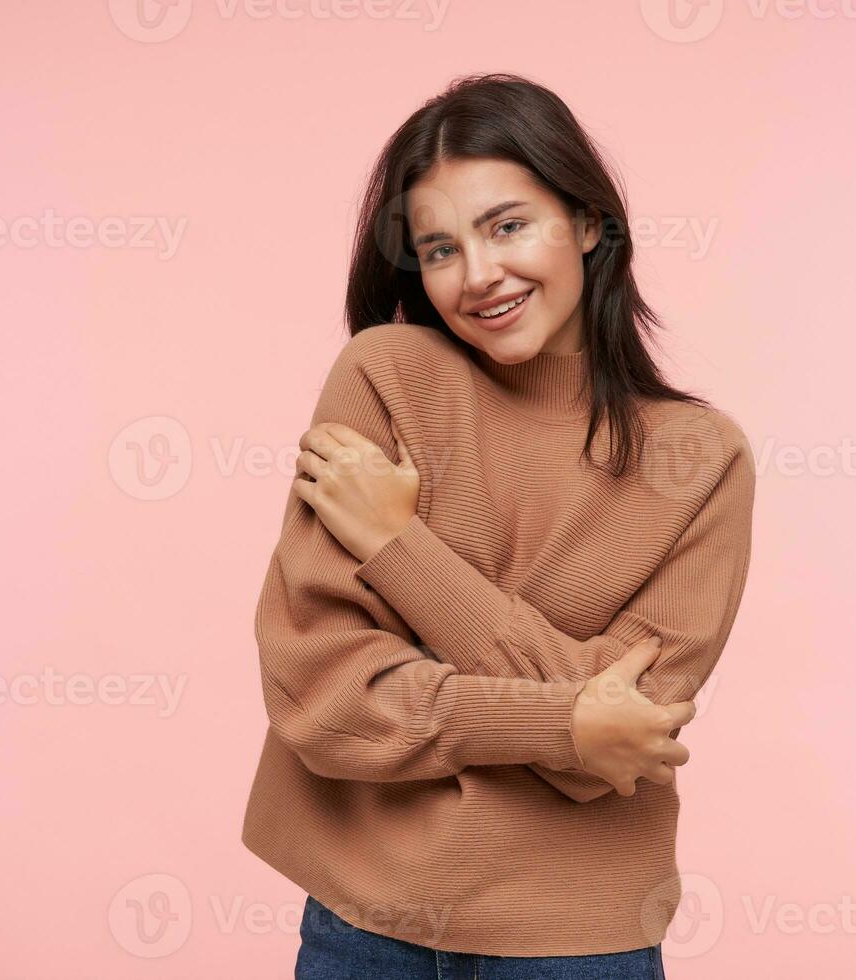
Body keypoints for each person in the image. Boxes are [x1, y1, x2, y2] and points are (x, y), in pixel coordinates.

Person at [241, 72, 755, 978]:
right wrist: (565, 721)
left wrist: (400, 551)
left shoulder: (699, 457)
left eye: (507, 225)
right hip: (364, 930)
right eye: (439, 249)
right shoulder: (386, 377)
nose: (478, 276)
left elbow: (623, 740)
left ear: (591, 223)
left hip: (580, 943)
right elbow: (321, 695)